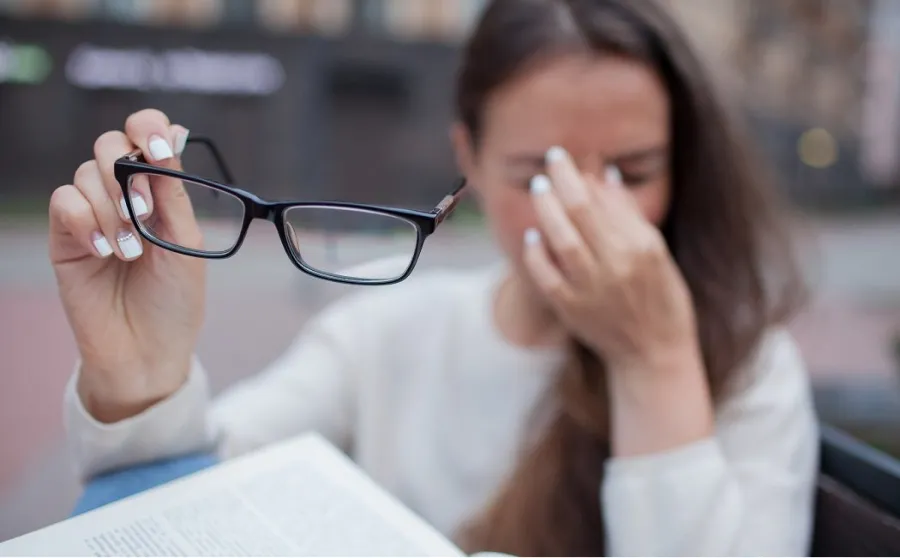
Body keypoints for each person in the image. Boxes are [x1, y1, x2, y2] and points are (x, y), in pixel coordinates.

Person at [48, 0, 819, 555]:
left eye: (632, 170)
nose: (587, 211)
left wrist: (654, 360)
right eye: (539, 176)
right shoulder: (388, 327)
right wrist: (143, 372)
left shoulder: (745, 367)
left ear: (683, 169)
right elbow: (192, 500)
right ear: (471, 162)